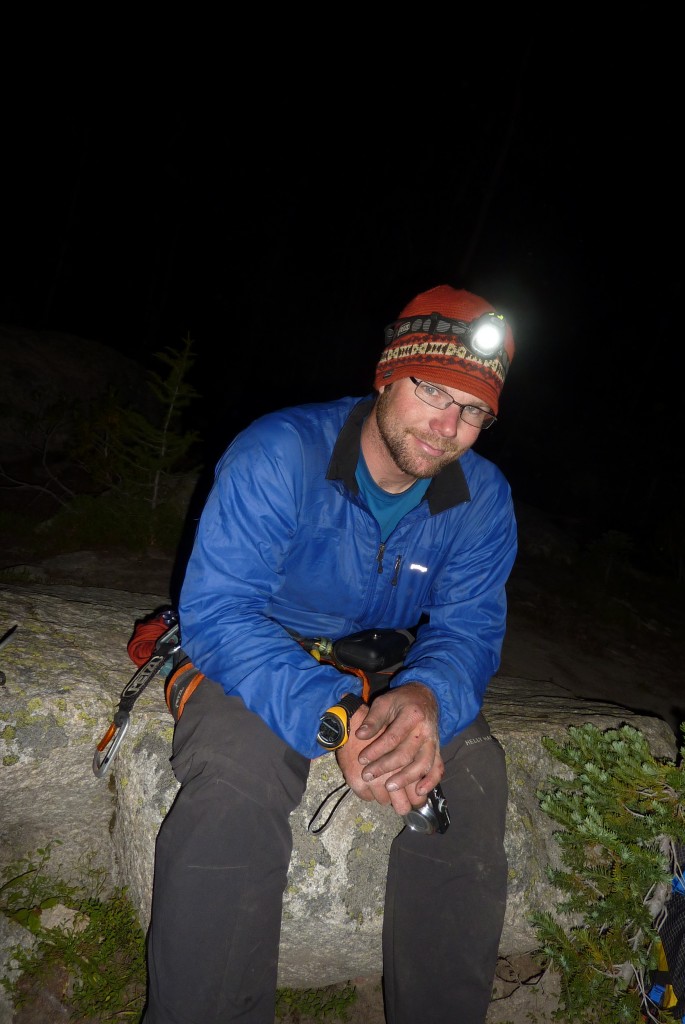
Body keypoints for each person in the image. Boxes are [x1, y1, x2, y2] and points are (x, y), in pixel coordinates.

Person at [142, 284, 519, 1024]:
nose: (448, 426)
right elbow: (218, 612)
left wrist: (427, 696)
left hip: (384, 661)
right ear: (387, 373)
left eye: (474, 410)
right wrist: (338, 716)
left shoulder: (482, 498)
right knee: (238, 770)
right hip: (258, 648)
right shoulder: (281, 452)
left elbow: (470, 629)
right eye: (432, 391)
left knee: (473, 770)